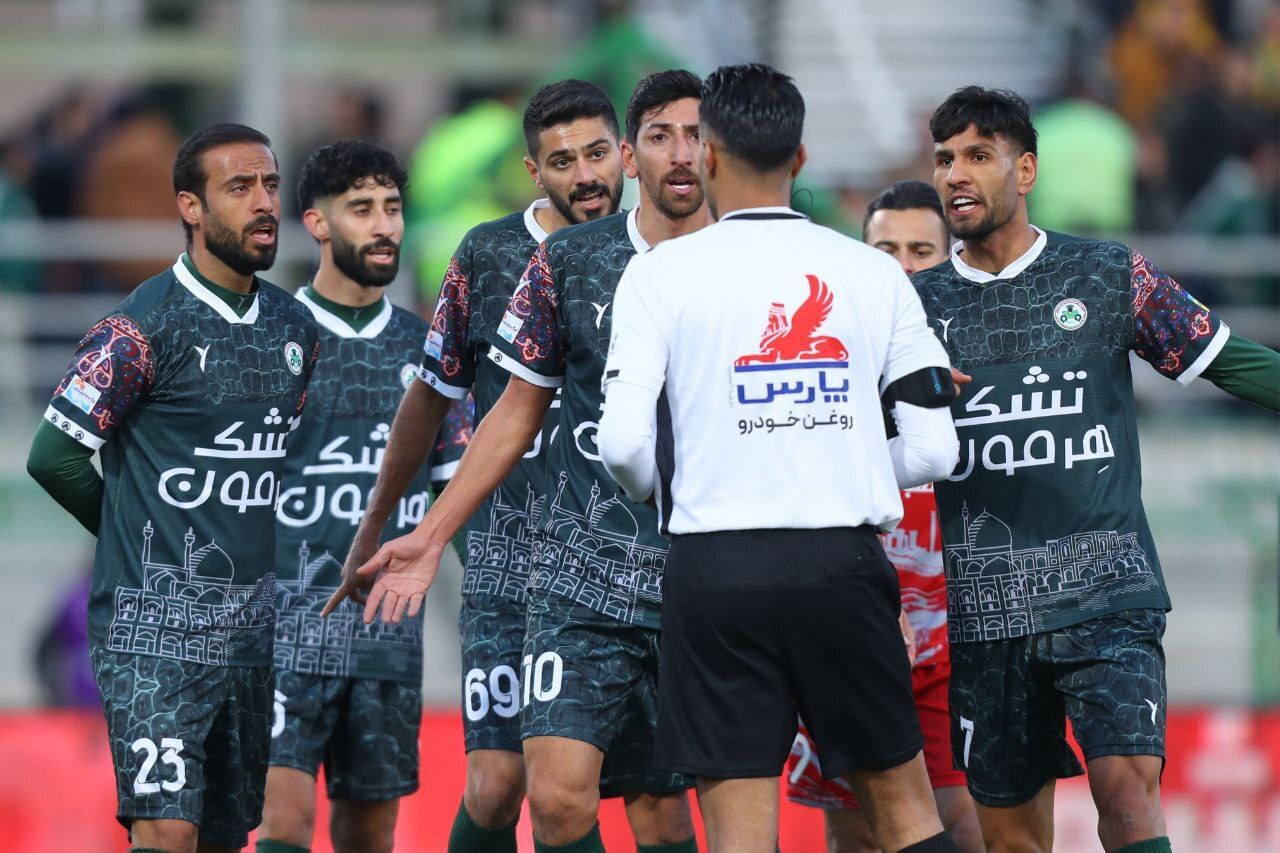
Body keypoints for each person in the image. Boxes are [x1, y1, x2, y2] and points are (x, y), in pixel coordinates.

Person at [339, 70, 711, 853]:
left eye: (597, 154)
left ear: (625, 155)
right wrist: (383, 525)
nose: (586, 175)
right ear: (533, 172)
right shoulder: (490, 254)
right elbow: (433, 394)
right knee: (498, 782)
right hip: (510, 560)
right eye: (563, 161)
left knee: (658, 805)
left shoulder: (679, 253)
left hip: (637, 559)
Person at [596, 63, 962, 853]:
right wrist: (847, 460)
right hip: (843, 565)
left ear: (708, 154)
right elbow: (936, 447)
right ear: (800, 157)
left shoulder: (657, 275)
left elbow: (621, 445)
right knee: (906, 817)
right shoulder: (873, 272)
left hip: (715, 569)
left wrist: (681, 484)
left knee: (741, 838)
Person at [914, 85, 1280, 853]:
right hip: (988, 610)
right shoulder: (911, 307)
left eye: (978, 156)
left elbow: (1229, 359)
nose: (956, 175)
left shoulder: (1109, 274)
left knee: (1128, 795)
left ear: (1026, 170)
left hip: (1107, 591)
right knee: (1012, 840)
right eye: (944, 159)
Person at [26, 123, 318, 853]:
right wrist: (131, 535)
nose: (264, 203)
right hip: (151, 629)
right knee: (166, 828)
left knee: (222, 834)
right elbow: (54, 455)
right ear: (191, 206)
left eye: (270, 185)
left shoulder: (294, 327)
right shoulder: (139, 327)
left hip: (250, 632)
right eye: (240, 187)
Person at [255, 140, 471, 853]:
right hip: (282, 633)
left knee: (370, 832)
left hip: (387, 639)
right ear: (317, 223)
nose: (384, 226)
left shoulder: (430, 351)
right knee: (282, 819)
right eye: (361, 209)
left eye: (392, 208)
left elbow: (456, 494)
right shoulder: (271, 340)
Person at [784, 180, 982, 852]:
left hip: (954, 643)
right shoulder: (825, 360)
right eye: (885, 250)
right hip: (848, 626)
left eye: (921, 250)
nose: (901, 266)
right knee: (856, 832)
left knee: (965, 823)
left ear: (951, 258)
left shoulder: (983, 356)